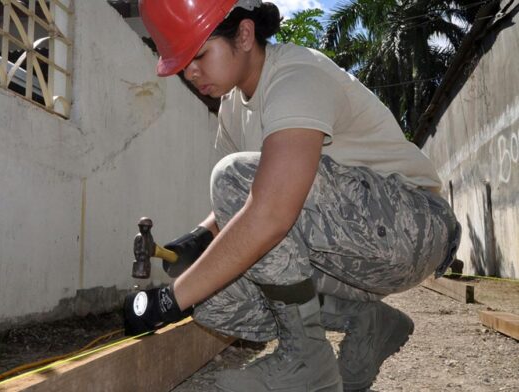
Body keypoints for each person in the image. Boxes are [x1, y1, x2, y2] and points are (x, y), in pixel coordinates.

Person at [123, 1, 461, 391]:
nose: (190, 71)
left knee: (231, 184)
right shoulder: (233, 108)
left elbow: (268, 209)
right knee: (212, 298)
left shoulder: (296, 75)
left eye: (199, 54)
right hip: (353, 254)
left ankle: (305, 358)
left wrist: (168, 301)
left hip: (415, 229)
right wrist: (198, 240)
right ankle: (365, 319)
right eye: (182, 64)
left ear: (245, 35)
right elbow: (244, 205)